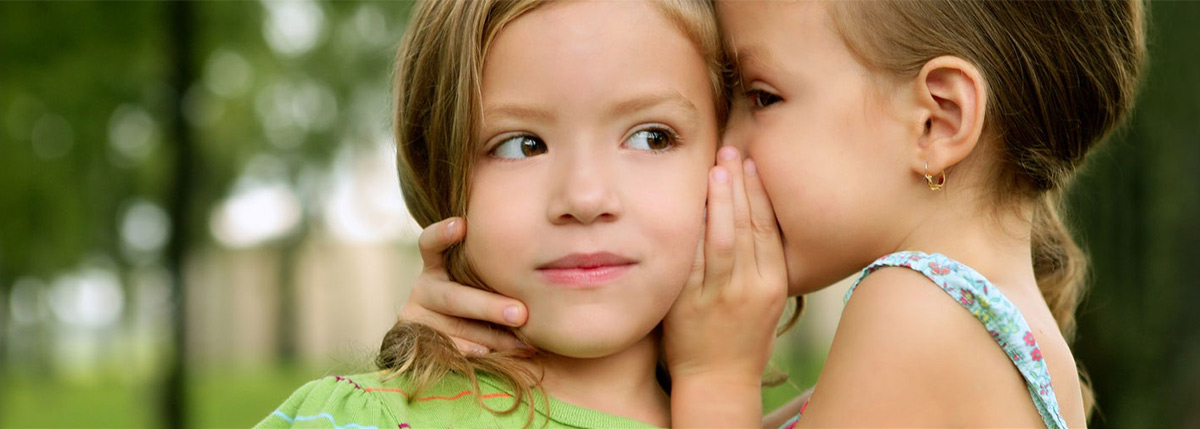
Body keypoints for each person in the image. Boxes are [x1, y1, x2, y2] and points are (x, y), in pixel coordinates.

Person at [404, 1, 1147, 427]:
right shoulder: (965, 325)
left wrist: (719, 376)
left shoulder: (917, 314)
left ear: (937, 121)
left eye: (760, 98)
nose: (723, 145)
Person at [256, 0, 789, 427]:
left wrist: (717, 386)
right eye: (522, 146)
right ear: (437, 169)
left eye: (651, 138)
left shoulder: (831, 410)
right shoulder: (361, 418)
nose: (584, 199)